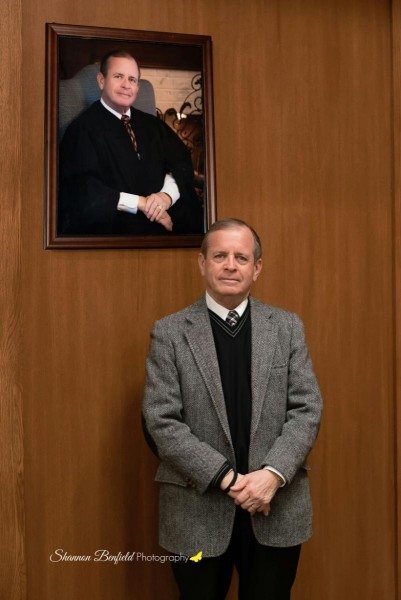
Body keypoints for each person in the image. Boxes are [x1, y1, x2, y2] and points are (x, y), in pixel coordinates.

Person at [142, 218, 323, 599]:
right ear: (202, 263)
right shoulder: (170, 332)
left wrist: (271, 475)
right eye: (220, 255)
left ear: (256, 268)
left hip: (277, 506)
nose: (230, 265)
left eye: (241, 257)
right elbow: (161, 422)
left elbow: (307, 408)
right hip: (196, 509)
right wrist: (229, 479)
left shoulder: (287, 327)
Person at [58, 50, 203, 236]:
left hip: (168, 216)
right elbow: (84, 191)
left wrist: (165, 197)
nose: (126, 85)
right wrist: (142, 204)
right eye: (118, 77)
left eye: (132, 79)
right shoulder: (82, 130)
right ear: (101, 81)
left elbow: (180, 164)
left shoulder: (154, 125)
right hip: (118, 227)